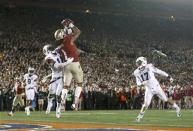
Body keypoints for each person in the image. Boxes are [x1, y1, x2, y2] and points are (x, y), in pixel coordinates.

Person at [133, 56, 181, 122]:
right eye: (137, 63)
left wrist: (168, 76)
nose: (137, 64)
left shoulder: (149, 66)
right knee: (145, 104)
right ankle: (139, 117)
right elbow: (138, 83)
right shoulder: (136, 72)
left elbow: (159, 71)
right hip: (148, 89)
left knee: (166, 100)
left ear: (143, 62)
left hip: (156, 87)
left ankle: (177, 108)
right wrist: (141, 84)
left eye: (139, 62)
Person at [54, 18, 83, 111]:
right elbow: (78, 32)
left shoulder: (58, 47)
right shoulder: (67, 40)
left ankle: (62, 104)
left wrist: (66, 29)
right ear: (62, 35)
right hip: (74, 63)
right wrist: (71, 25)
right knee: (79, 84)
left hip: (66, 66)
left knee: (66, 86)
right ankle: (74, 104)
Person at [42, 44, 73, 118]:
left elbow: (60, 46)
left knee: (58, 95)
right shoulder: (48, 58)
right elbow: (58, 66)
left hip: (61, 77)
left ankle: (58, 110)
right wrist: (68, 62)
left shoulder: (55, 52)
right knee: (51, 93)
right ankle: (49, 105)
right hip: (54, 77)